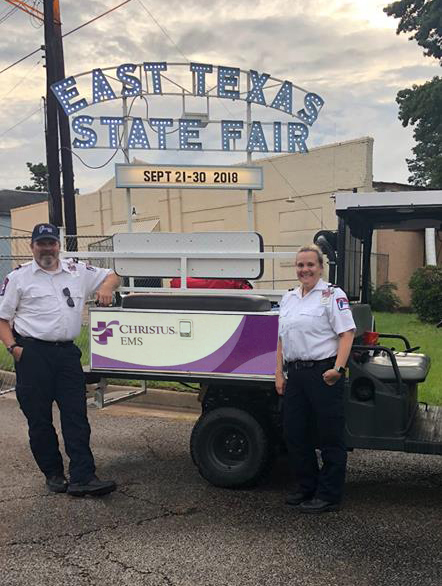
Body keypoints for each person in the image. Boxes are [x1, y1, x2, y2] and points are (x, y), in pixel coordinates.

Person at [0, 223, 120, 497]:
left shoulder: (77, 271)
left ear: (58, 245)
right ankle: (53, 473)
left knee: (76, 416)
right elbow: (3, 318)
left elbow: (113, 273)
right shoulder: (18, 278)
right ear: (32, 247)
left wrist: (106, 288)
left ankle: (82, 477)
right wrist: (14, 349)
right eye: (41, 243)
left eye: (51, 243)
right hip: (33, 355)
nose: (46, 248)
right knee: (39, 419)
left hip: (66, 355)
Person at [275, 244, 355, 514]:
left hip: (324, 374)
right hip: (295, 374)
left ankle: (329, 495)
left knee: (330, 437)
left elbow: (347, 333)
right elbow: (281, 340)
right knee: (294, 433)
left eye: (310, 264)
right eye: (300, 265)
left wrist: (338, 370)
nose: (304, 269)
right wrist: (279, 373)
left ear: (321, 267)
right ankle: (306, 486)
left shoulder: (332, 295)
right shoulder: (289, 299)